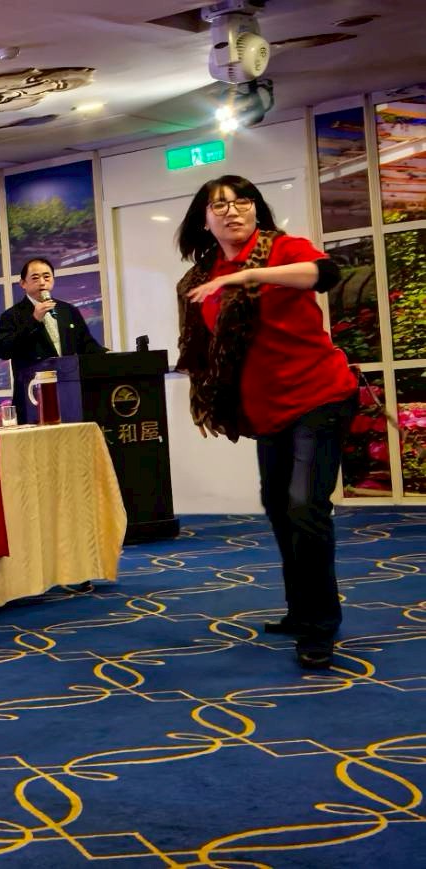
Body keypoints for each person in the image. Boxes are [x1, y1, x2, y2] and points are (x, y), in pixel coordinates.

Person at [175, 174, 353, 670]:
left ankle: (320, 626)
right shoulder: (203, 273)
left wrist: (245, 277)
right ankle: (300, 610)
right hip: (268, 408)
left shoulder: (280, 248)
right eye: (219, 206)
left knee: (305, 507)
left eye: (242, 202)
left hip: (320, 395)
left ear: (256, 209)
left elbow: (325, 273)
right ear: (204, 220)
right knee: (278, 507)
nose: (232, 211)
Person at [0, 257, 107, 423]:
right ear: (23, 283)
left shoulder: (68, 310)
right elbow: (3, 350)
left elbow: (86, 344)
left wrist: (108, 355)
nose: (42, 282)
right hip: (32, 396)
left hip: (69, 393)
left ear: (53, 280)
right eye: (35, 278)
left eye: (46, 277)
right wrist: (34, 320)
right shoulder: (12, 315)